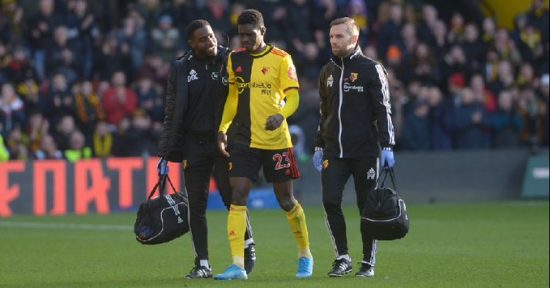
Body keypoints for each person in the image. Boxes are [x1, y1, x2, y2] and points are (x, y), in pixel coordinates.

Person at [214, 9, 313, 280]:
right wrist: (222, 129)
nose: (244, 40)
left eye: (250, 35)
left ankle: (305, 254)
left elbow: (293, 98)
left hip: (276, 141)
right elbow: (233, 99)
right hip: (244, 140)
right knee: (238, 196)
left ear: (263, 31)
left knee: (285, 199)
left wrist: (281, 115)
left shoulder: (282, 59)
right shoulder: (235, 59)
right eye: (241, 35)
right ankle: (237, 265)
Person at [157, 19, 256, 279]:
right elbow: (172, 110)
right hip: (194, 145)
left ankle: (248, 248)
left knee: (230, 198)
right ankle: (202, 263)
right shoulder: (180, 68)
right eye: (202, 39)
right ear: (191, 44)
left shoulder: (232, 60)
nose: (210, 41)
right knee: (196, 206)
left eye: (211, 36)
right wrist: (167, 150)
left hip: (225, 142)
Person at [313, 17, 396, 278]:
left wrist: (387, 145)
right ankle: (342, 257)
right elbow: (324, 111)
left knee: (366, 206)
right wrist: (318, 144)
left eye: (339, 36)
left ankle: (368, 262)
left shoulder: (372, 69)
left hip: (365, 151)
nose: (333, 41)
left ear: (354, 39)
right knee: (329, 201)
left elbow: (383, 109)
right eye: (331, 37)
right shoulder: (327, 71)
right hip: (333, 151)